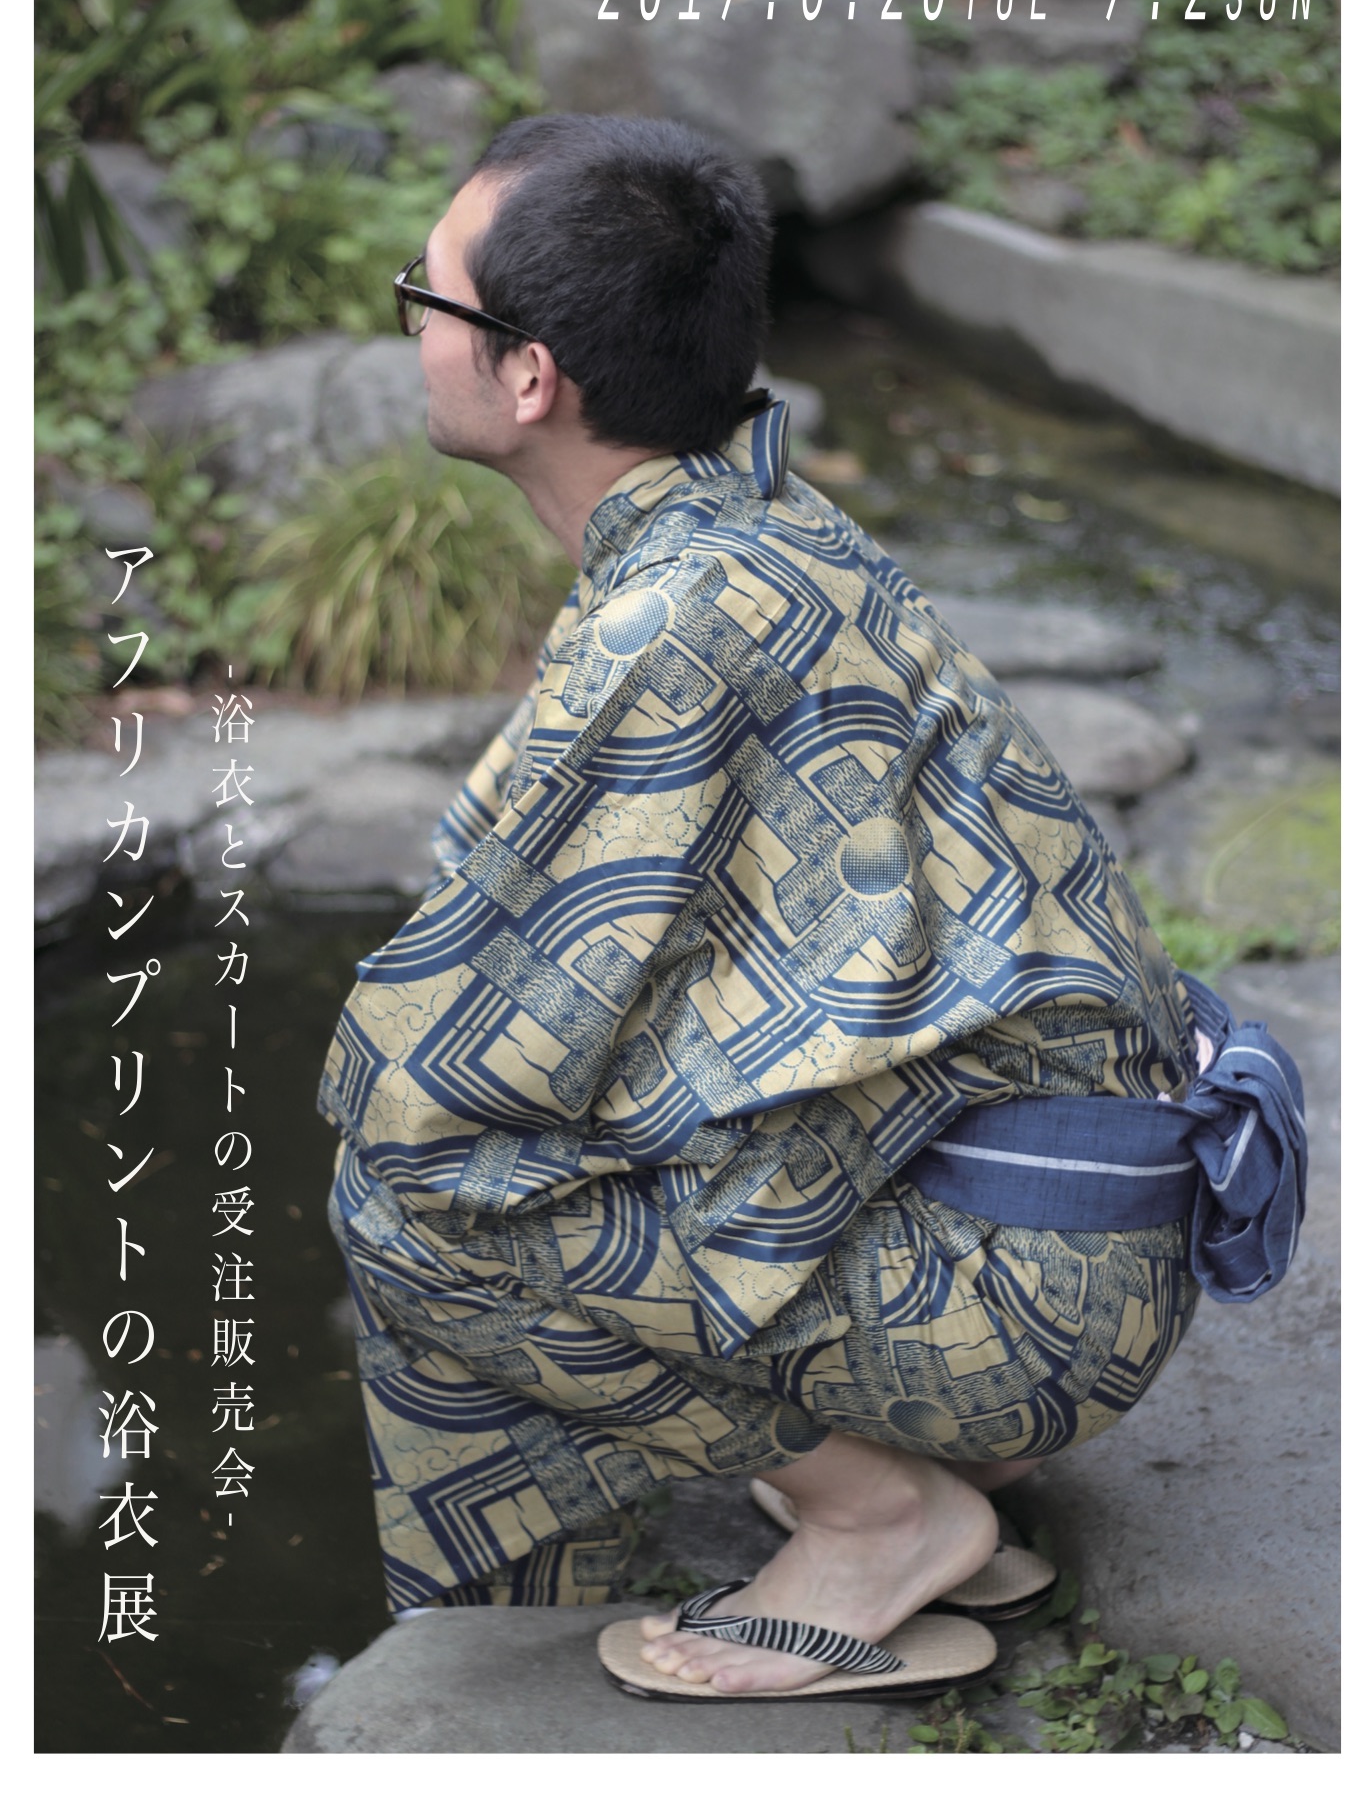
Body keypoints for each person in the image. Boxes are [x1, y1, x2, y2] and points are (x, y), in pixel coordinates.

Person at [319, 113, 1306, 1702]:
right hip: (1067, 1230)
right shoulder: (757, 519)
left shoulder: (673, 622)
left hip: (1024, 1295)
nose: (413, 331)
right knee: (525, 1131)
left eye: (424, 298)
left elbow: (431, 1091)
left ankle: (882, 1511)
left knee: (415, 1200)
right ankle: (867, 1481)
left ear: (530, 374)